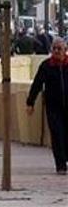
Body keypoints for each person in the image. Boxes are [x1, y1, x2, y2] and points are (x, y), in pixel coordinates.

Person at [25, 37, 68, 174]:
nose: (56, 51)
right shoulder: (46, 66)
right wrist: (30, 102)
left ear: (65, 51)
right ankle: (61, 165)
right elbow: (37, 84)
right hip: (53, 107)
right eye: (54, 48)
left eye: (59, 49)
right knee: (57, 135)